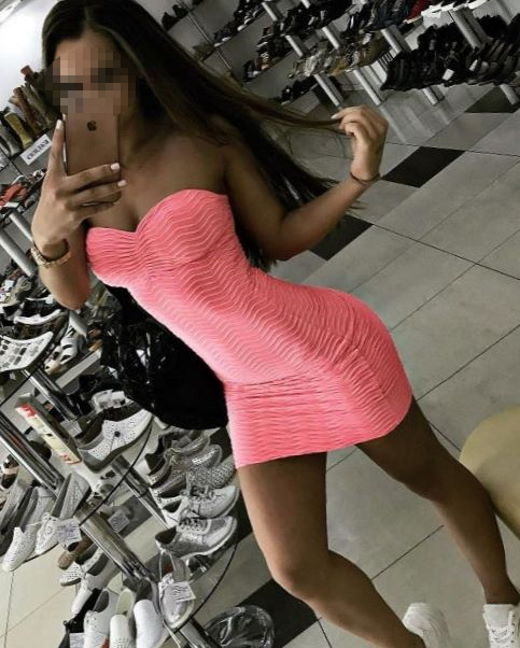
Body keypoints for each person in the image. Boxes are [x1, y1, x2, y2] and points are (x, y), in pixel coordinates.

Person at [32, 1, 520, 646]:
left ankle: (504, 607)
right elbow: (72, 292)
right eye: (71, 82)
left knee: (429, 475)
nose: (89, 97)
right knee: (297, 568)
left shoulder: (201, 138)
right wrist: (48, 235)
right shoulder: (70, 183)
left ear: (139, 69)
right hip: (250, 388)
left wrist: (357, 178)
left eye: (105, 75)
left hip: (324, 349)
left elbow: (280, 238)